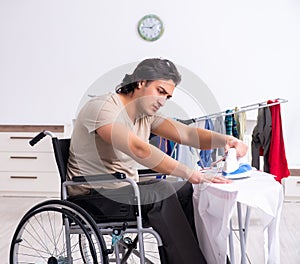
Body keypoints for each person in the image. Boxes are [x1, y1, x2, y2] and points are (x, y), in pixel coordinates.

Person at [67, 58, 248, 264]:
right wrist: (192, 173)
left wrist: (228, 140)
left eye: (168, 97)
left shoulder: (145, 115)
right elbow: (138, 148)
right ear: (140, 82)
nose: (163, 101)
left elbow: (188, 134)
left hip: (125, 188)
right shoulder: (103, 108)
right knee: (162, 192)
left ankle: (209, 258)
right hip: (94, 195)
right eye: (160, 91)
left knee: (186, 190)